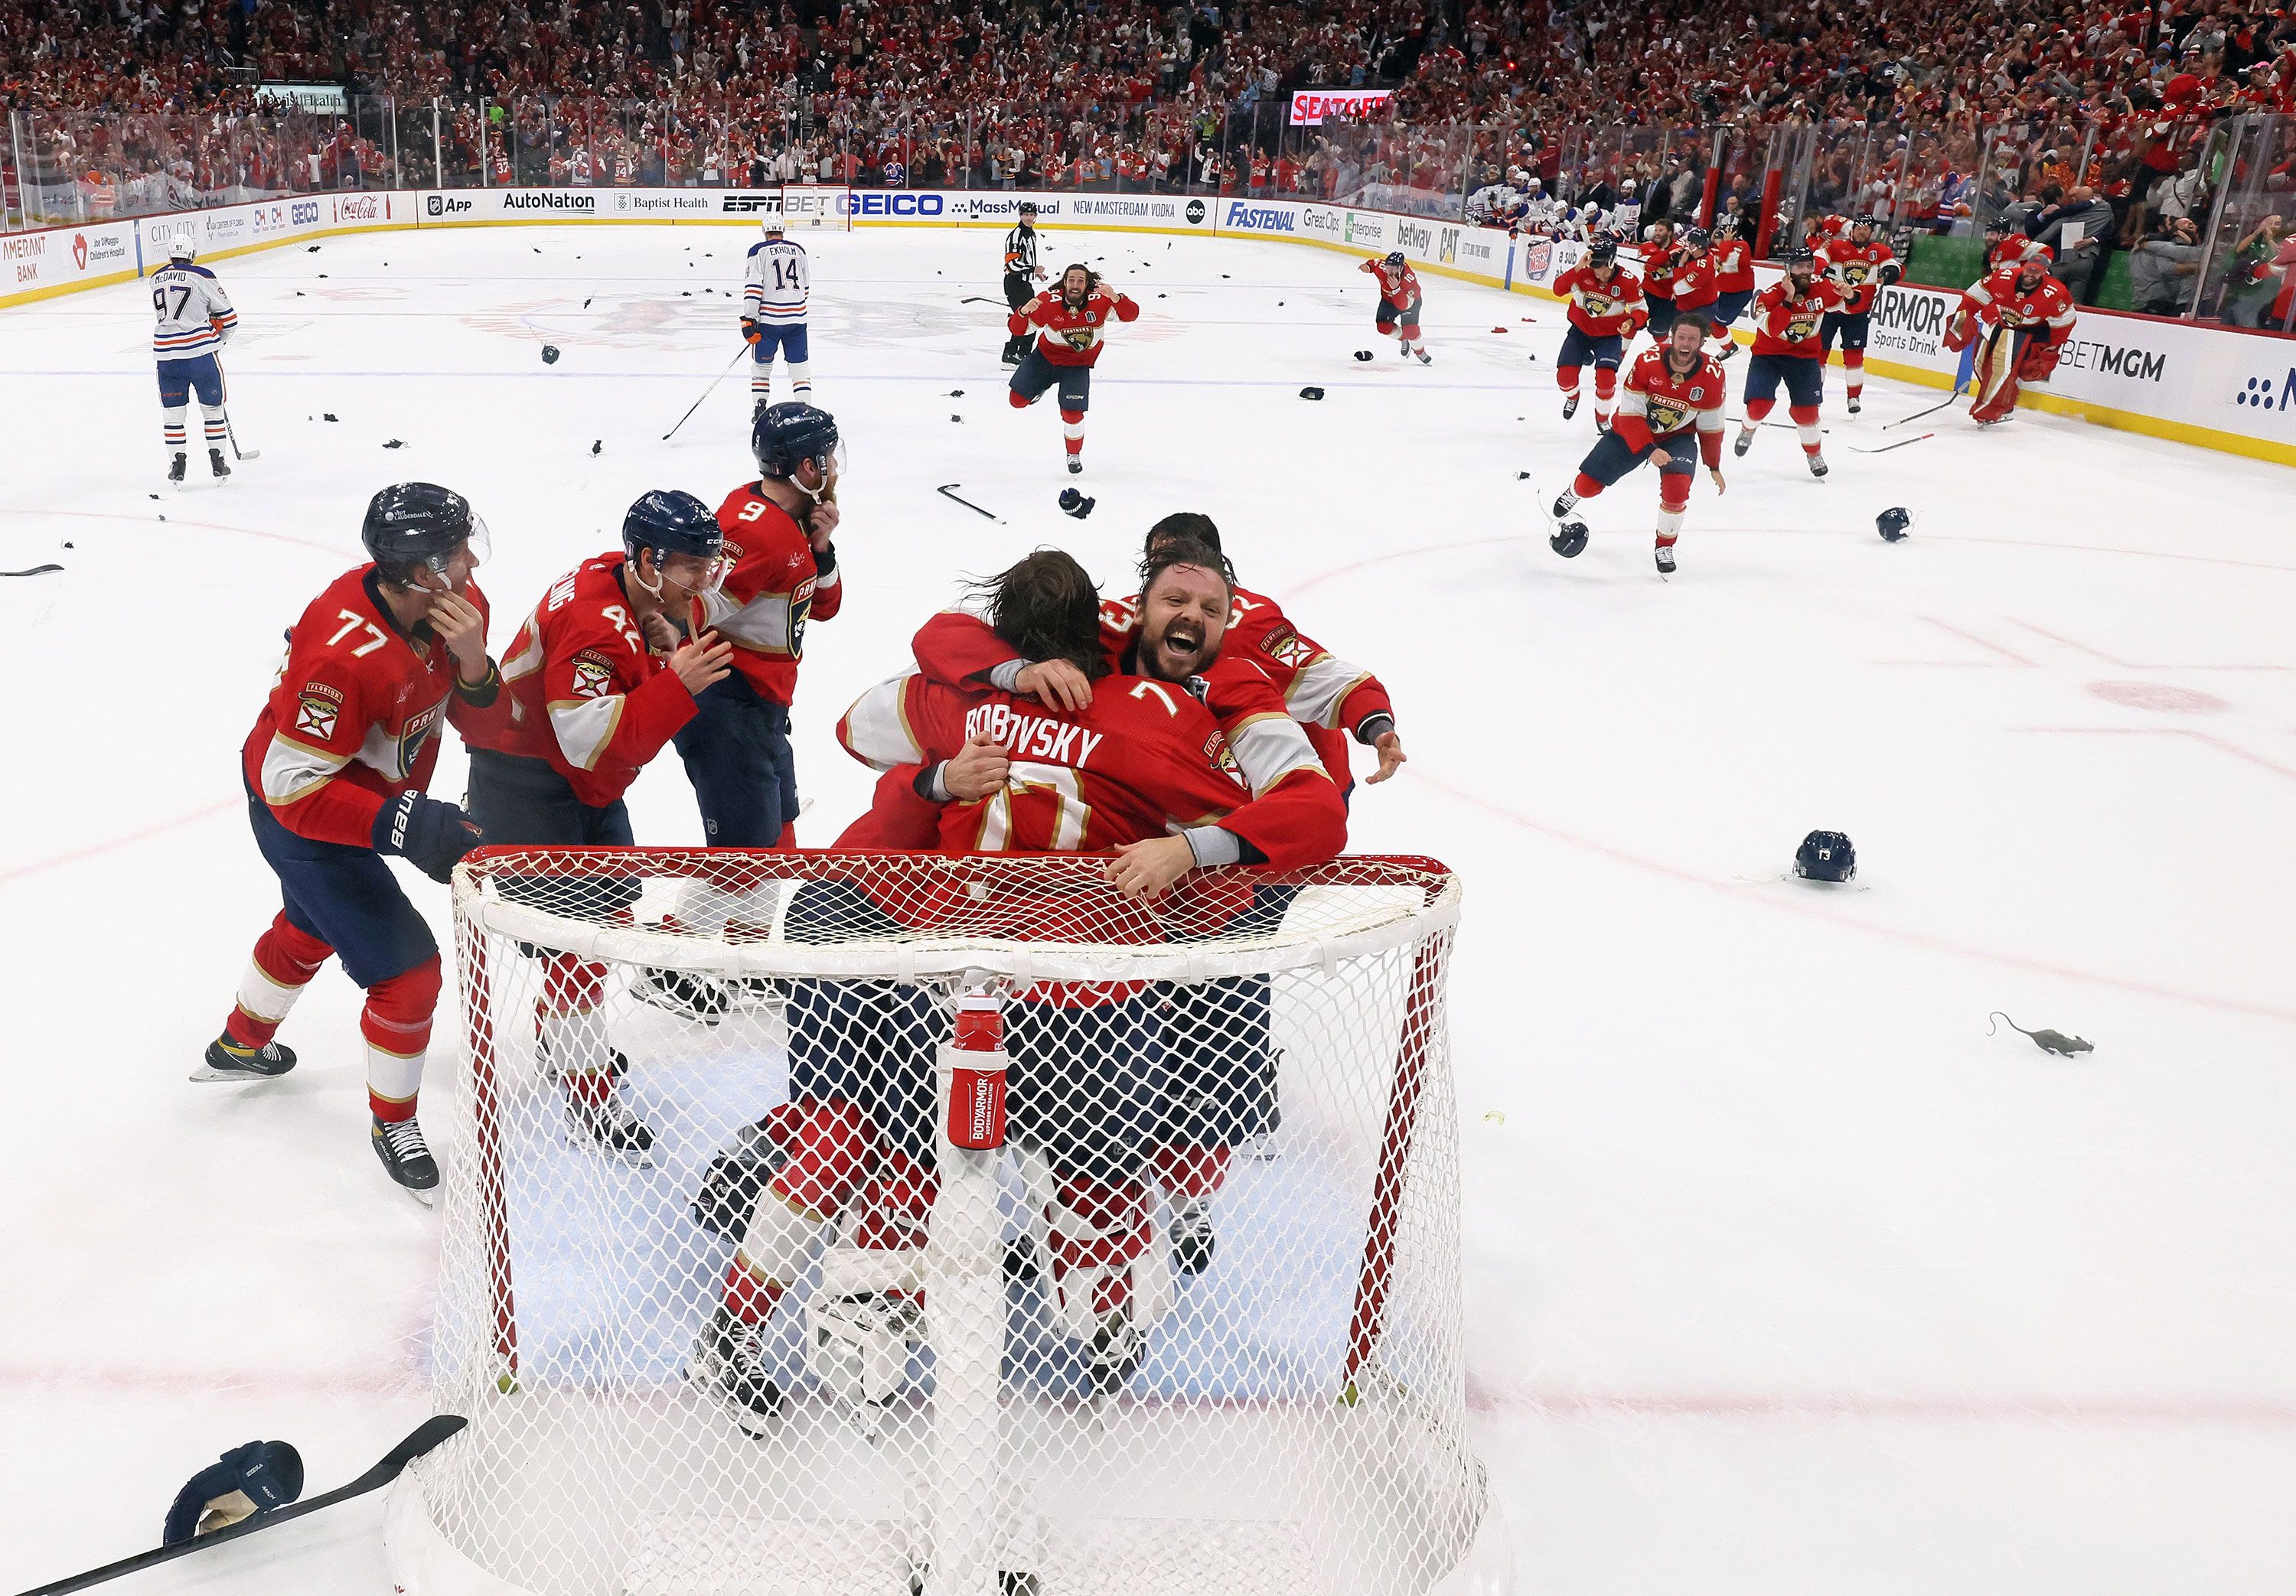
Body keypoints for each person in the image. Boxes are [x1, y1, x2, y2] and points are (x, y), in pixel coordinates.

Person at [688, 546, 1345, 1427]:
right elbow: (1304, 809)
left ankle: (794, 1305)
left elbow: (858, 725)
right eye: (1172, 600)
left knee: (867, 1132)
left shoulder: (954, 697)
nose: (1187, 618)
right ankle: (1101, 1301)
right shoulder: (1154, 721)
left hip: (904, 944)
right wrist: (1195, 841)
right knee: (1092, 1154)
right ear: (1120, 622)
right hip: (1051, 984)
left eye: (1205, 605)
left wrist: (958, 733)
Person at [200, 484, 507, 1200]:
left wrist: (473, 664)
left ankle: (240, 1042)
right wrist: (403, 824)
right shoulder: (341, 655)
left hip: (360, 797)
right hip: (301, 815)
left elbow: (475, 719)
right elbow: (291, 787)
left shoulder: (459, 612)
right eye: (456, 551)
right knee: (408, 974)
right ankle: (392, 1121)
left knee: (314, 920)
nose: (471, 560)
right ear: (422, 570)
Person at [462, 490, 736, 1162]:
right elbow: (588, 742)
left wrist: (656, 644)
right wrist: (675, 682)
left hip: (556, 778)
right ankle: (585, 1088)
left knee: (598, 923)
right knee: (579, 942)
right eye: (694, 568)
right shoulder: (595, 622)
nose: (706, 582)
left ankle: (564, 1042)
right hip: (529, 784)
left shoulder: (619, 578)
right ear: (649, 560)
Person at [670, 402, 844, 889]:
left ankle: (771, 952)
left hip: (761, 711)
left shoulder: (784, 515)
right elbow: (688, 608)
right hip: (728, 713)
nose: (835, 467)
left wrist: (822, 547)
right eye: (828, 456)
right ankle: (689, 964)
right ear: (808, 467)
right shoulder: (755, 532)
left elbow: (824, 607)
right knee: (743, 872)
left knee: (779, 837)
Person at [1548, 317, 1727, 576]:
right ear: (1672, 337)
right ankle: (1574, 492)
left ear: (1702, 341)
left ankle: (1665, 546)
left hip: (1677, 437)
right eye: (1681, 338)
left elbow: (1711, 424)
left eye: (1692, 339)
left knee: (1677, 492)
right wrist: (1649, 450)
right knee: (1589, 486)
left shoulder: (1713, 373)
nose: (1685, 344)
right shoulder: (1647, 361)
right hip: (1631, 431)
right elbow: (1631, 414)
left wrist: (1714, 465)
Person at [1007, 263, 1141, 474]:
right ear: (1065, 282)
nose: (1075, 285)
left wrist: (1115, 297)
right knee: (1016, 401)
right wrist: (1023, 311)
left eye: (1081, 280)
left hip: (1077, 366)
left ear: (1087, 283)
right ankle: (1041, 387)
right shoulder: (1047, 302)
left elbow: (1132, 314)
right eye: (1071, 280)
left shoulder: (1101, 300)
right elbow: (1017, 329)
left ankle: (1074, 454)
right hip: (1045, 359)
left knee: (1072, 414)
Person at [1731, 249, 1844, 477]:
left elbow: (1852, 304)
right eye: (1799, 266)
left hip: (1804, 359)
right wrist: (1789, 299)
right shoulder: (1769, 296)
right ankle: (1747, 429)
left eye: (1808, 265)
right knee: (1759, 406)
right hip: (1768, 356)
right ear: (1787, 269)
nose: (1805, 271)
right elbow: (1773, 329)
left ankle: (1814, 454)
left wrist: (1851, 294)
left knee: (1807, 413)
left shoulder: (1822, 288)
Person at [1946, 251, 2077, 425]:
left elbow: (2065, 320)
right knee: (1981, 362)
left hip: (2032, 333)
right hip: (2004, 325)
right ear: (2024, 266)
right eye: (2029, 268)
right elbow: (1973, 296)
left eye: (2037, 271)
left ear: (2045, 271)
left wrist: (2053, 346)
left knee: (2002, 365)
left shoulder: (2056, 293)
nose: (2031, 273)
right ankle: (2005, 402)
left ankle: (1990, 410)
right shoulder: (2003, 277)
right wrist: (1963, 316)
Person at [148, 233, 238, 484]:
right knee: (212, 409)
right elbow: (230, 320)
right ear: (192, 255)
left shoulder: (155, 279)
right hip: (199, 356)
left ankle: (177, 465)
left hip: (166, 358)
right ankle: (218, 461)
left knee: (173, 415)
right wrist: (217, 341)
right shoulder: (203, 275)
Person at [1551, 238, 1647, 427]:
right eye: (1594, 266)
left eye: (1601, 267)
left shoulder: (1628, 281)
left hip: (1609, 337)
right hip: (1580, 332)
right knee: (1564, 378)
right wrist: (1578, 267)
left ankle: (1602, 420)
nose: (1597, 272)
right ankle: (1573, 397)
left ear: (1612, 262)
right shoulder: (1583, 273)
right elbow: (1557, 290)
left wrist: (1630, 321)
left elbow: (1642, 310)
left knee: (1606, 381)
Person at [1815, 217, 1902, 412]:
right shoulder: (1837, 246)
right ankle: (1814, 393)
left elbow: (1893, 264)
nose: (1862, 232)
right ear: (1852, 230)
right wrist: (1824, 269)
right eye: (1859, 228)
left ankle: (1853, 398)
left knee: (1854, 356)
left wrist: (1890, 272)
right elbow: (1819, 256)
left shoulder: (1879, 251)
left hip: (1857, 311)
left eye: (1866, 229)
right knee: (1819, 353)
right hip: (1829, 309)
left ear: (1872, 232)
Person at [742, 217, 812, 413]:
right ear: (783, 230)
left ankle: (760, 409)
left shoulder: (758, 251)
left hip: (769, 323)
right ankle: (806, 409)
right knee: (799, 367)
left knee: (762, 367)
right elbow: (805, 287)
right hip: (797, 320)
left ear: (764, 231)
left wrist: (749, 318)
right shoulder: (799, 250)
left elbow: (753, 287)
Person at [1359, 250, 1431, 364]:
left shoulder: (1409, 280)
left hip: (1409, 303)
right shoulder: (1383, 267)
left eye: (1393, 269)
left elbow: (1403, 306)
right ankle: (1403, 339)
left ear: (1400, 268)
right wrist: (1367, 266)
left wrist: (1396, 289)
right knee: (1382, 326)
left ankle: (1420, 352)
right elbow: (1374, 263)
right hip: (1389, 300)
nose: (1389, 271)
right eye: (1388, 268)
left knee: (1411, 330)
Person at [1704, 212, 1758, 361]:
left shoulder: (1741, 246)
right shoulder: (1722, 248)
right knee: (1710, 320)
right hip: (1727, 292)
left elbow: (1727, 262)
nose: (1717, 243)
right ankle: (1728, 347)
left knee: (1716, 324)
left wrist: (1726, 243)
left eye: (1720, 239)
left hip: (1738, 294)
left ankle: (1730, 348)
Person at [1000, 200, 1046, 365]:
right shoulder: (1016, 235)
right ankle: (1013, 354)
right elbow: (1011, 264)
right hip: (1015, 283)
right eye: (1025, 214)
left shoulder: (1030, 233)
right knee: (1025, 319)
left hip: (1024, 284)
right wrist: (1033, 269)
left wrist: (1035, 274)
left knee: (1031, 318)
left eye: (1031, 215)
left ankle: (1022, 354)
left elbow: (1025, 261)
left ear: (1035, 217)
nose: (1028, 217)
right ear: (1020, 215)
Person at [1638, 218, 1683, 340]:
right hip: (1647, 293)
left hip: (1667, 300)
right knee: (1632, 324)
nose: (1657, 233)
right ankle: (1620, 356)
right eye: (1656, 230)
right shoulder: (1646, 247)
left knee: (1659, 332)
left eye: (1661, 230)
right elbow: (1648, 267)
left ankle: (1666, 354)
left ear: (1669, 233)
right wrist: (1667, 255)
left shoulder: (1680, 249)